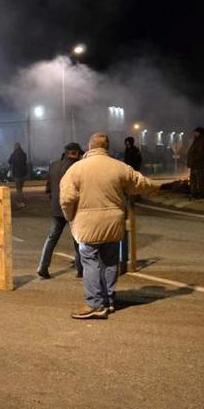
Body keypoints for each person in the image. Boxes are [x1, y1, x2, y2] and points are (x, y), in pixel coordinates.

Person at [60, 133, 156, 319]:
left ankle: (95, 304)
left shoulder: (76, 169)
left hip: (87, 225)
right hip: (114, 223)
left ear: (89, 147)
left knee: (90, 261)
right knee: (111, 261)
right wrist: (157, 187)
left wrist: (70, 217)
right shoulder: (119, 167)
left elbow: (67, 199)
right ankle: (109, 300)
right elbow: (140, 183)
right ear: (106, 147)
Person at [37, 143, 84, 279]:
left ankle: (43, 266)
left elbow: (48, 189)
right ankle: (80, 269)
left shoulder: (53, 165)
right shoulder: (76, 167)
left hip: (57, 208)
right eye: (79, 154)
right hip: (72, 207)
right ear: (74, 153)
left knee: (52, 238)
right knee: (78, 238)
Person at [187, 127, 204, 198]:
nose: (194, 134)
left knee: (201, 181)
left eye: (196, 132)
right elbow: (192, 153)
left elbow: (202, 154)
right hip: (194, 165)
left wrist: (193, 160)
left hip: (201, 166)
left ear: (200, 133)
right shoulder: (197, 141)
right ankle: (194, 194)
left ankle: (202, 194)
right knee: (193, 181)